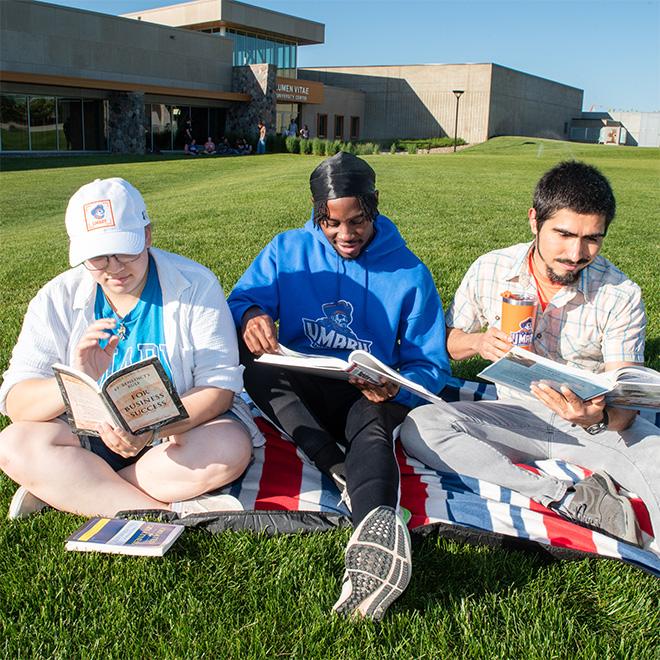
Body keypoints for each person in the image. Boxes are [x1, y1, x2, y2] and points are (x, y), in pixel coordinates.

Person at [228, 151, 451, 619]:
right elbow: (243, 299)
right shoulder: (287, 250)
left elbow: (432, 365)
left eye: (357, 221)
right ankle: (335, 467)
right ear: (316, 213)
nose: (345, 235)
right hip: (304, 383)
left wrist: (398, 389)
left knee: (373, 427)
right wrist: (250, 316)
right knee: (259, 370)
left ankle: (371, 541)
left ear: (375, 206)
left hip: (368, 395)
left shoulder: (410, 273)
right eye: (330, 223)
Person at [401, 161, 659, 547]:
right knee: (420, 427)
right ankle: (564, 495)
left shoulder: (620, 294)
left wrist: (598, 415)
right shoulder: (491, 268)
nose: (576, 253)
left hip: (590, 427)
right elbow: (447, 345)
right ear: (534, 220)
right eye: (564, 234)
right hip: (515, 415)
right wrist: (477, 343)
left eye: (592, 239)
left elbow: (625, 409)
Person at [0, 178, 254, 520]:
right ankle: (157, 513)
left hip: (177, 436)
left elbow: (218, 389)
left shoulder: (196, 284)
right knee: (13, 444)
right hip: (89, 436)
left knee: (229, 449)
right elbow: (17, 401)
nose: (115, 268)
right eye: (98, 258)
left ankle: (78, 487)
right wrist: (77, 376)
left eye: (125, 251)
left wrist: (151, 430)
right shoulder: (56, 297)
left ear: (148, 235)